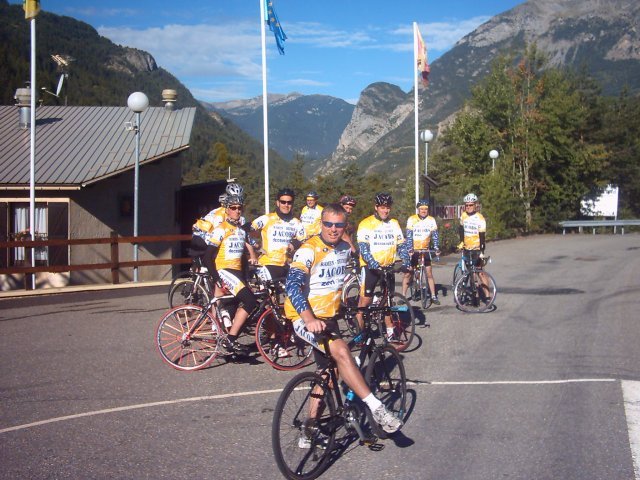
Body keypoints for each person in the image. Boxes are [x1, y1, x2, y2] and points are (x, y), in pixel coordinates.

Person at [284, 203, 403, 441]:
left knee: (327, 373)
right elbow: (292, 285)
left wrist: (357, 306)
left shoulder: (345, 249)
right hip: (304, 319)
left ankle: (310, 427)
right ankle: (376, 408)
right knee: (342, 351)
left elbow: (343, 283)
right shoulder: (309, 250)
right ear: (321, 224)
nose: (333, 229)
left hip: (329, 319)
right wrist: (308, 319)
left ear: (345, 226)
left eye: (339, 225)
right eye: (328, 224)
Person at [205, 194, 259, 354]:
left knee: (234, 306)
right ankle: (231, 340)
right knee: (250, 301)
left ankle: (226, 339)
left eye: (239, 208)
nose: (237, 211)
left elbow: (242, 258)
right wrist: (217, 278)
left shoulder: (241, 231)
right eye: (233, 208)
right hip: (224, 271)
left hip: (237, 272)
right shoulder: (221, 229)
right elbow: (208, 257)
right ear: (227, 210)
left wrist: (247, 278)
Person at [355, 193, 410, 341]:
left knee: (388, 300)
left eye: (388, 208)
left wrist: (406, 262)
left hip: (388, 266)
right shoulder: (366, 223)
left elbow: (401, 245)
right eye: (383, 207)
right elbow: (363, 248)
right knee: (364, 303)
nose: (385, 211)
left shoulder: (394, 223)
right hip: (370, 267)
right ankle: (361, 333)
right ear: (376, 207)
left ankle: (390, 331)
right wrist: (374, 264)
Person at [191, 183, 247, 276]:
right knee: (212, 260)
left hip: (207, 236)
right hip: (200, 237)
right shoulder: (219, 213)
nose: (237, 201)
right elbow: (218, 233)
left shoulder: (235, 214)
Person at [250, 188, 306, 281]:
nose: (286, 205)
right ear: (277, 203)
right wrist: (256, 247)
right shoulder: (267, 218)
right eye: (283, 202)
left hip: (286, 265)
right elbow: (245, 231)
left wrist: (293, 244)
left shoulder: (296, 222)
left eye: (289, 202)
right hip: (268, 264)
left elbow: (304, 241)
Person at [402, 199, 441, 305]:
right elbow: (409, 235)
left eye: (425, 209)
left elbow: (435, 236)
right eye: (421, 209)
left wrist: (437, 247)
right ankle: (403, 296)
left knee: (429, 273)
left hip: (425, 249)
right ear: (418, 210)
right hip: (414, 250)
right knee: (408, 273)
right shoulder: (412, 219)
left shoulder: (431, 220)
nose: (423, 211)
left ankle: (433, 295)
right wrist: (410, 248)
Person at [457, 193, 491, 299]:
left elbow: (482, 237)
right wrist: (461, 242)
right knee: (471, 273)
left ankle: (487, 295)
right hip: (467, 248)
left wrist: (482, 250)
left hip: (476, 248)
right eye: (466, 205)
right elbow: (461, 229)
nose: (468, 207)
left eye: (471, 205)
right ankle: (474, 293)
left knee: (480, 272)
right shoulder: (463, 216)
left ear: (475, 205)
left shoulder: (480, 218)